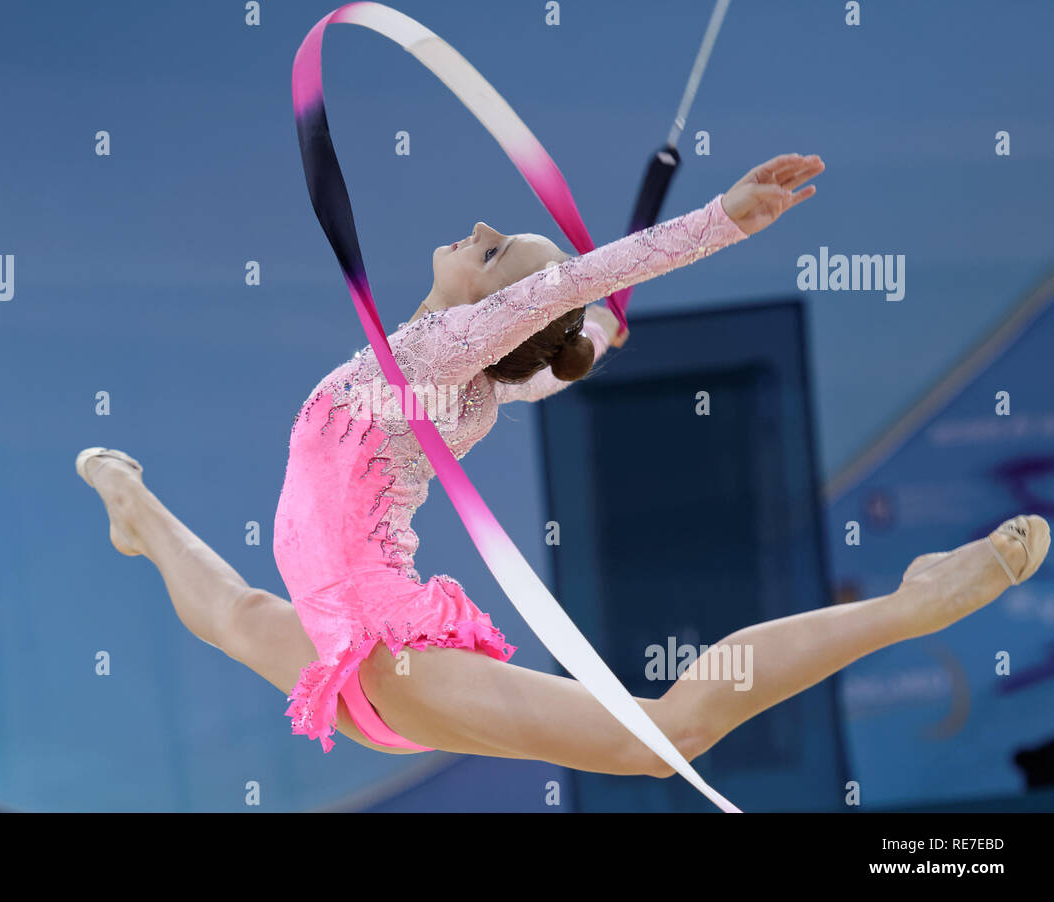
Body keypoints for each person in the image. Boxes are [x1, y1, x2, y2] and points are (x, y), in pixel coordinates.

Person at [77, 152, 1049, 778]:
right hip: (346, 662)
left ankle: (907, 603)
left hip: (385, 649)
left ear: (495, 309)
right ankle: (133, 503)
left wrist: (721, 217)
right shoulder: (479, 383)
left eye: (495, 249)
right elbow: (557, 343)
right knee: (238, 613)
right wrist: (594, 333)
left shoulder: (445, 351)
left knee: (659, 735)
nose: (476, 231)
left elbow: (578, 287)